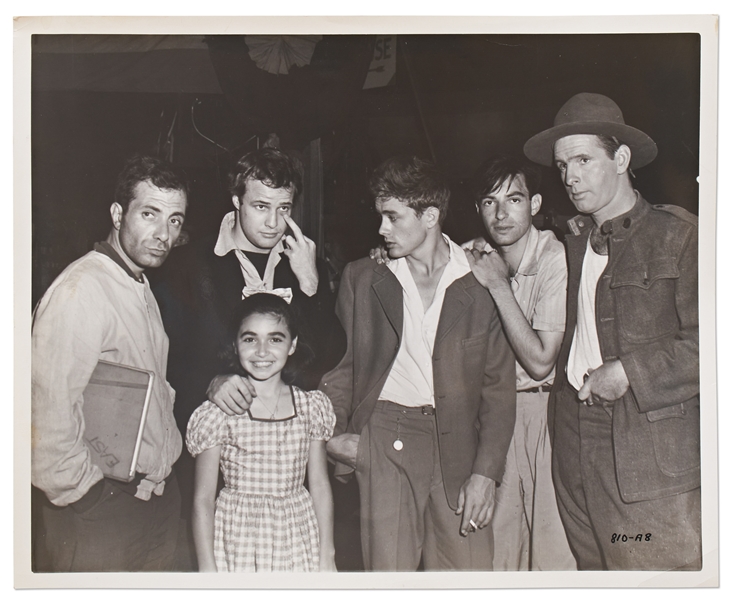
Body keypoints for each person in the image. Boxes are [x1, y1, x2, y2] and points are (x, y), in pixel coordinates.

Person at [523, 92, 700, 570]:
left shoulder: (681, 237)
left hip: (645, 450)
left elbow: (715, 345)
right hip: (574, 440)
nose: (570, 177)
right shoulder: (574, 242)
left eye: (583, 159)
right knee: (596, 576)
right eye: (562, 166)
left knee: (647, 575)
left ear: (621, 158)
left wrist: (629, 371)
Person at [320, 156, 516, 571]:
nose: (381, 229)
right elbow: (342, 367)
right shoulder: (362, 277)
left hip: (459, 448)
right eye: (380, 217)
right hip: (386, 438)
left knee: (470, 577)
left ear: (430, 216)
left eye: (392, 217)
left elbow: (498, 389)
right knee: (388, 578)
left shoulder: (480, 279)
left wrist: (486, 473)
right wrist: (335, 436)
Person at [31, 155, 189, 571]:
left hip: (152, 499)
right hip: (102, 511)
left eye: (175, 220)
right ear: (119, 214)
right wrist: (86, 495)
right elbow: (45, 411)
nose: (163, 234)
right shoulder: (80, 290)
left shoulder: (137, 283)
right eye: (150, 214)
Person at [463, 155, 575, 571]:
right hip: (493, 415)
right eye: (489, 202)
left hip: (544, 410)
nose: (502, 213)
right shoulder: (471, 255)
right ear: (478, 209)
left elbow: (542, 363)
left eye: (514, 199)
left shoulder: (552, 257)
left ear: (535, 203)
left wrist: (497, 285)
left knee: (552, 550)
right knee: (496, 549)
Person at [186, 293, 337, 572]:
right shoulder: (218, 411)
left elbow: (319, 485)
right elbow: (202, 499)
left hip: (296, 534)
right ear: (235, 344)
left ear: (292, 345)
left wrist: (327, 555)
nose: (262, 351)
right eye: (250, 339)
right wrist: (207, 569)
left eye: (275, 339)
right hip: (238, 537)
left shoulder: (311, 407)